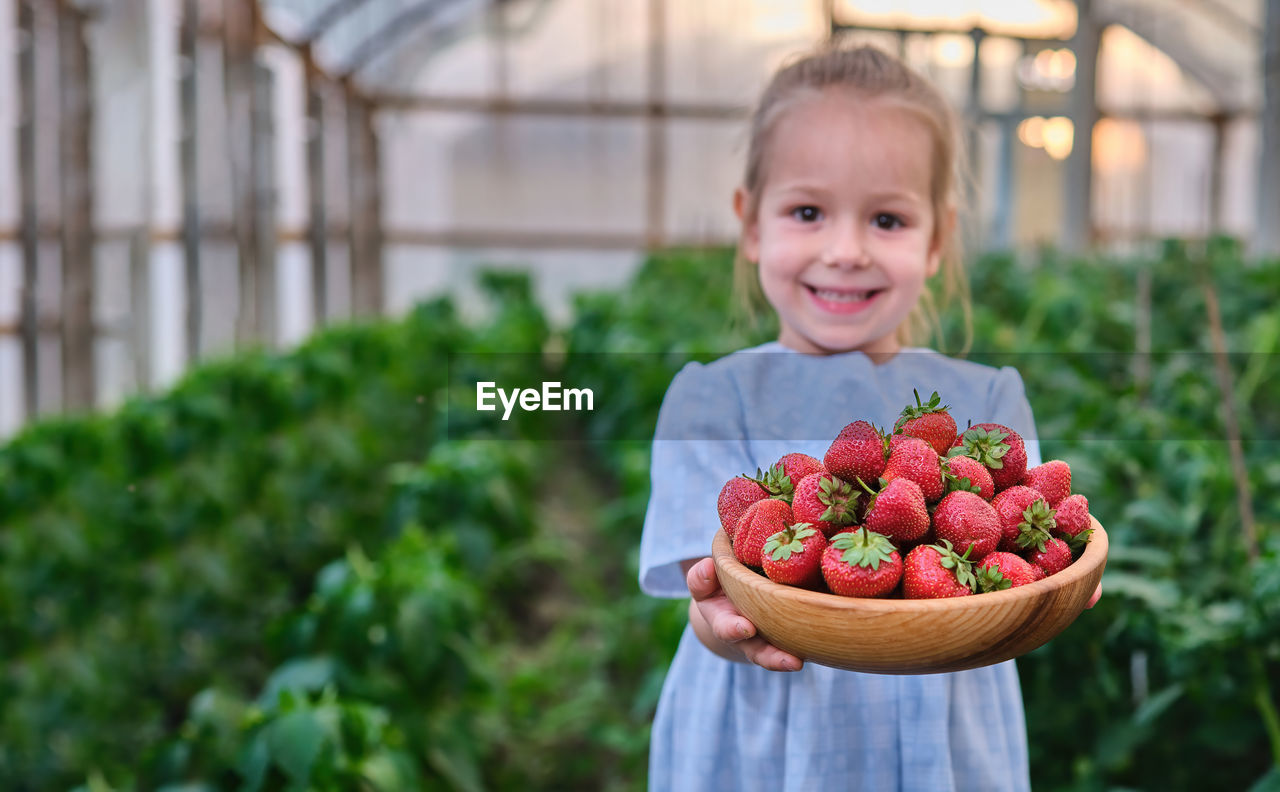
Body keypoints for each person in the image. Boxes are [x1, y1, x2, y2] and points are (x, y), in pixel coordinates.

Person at [638, 44, 1092, 791]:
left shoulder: (986, 403)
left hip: (943, 737)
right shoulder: (711, 399)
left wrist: (1051, 582)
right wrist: (726, 630)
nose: (845, 251)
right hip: (765, 740)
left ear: (937, 239)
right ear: (751, 224)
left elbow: (1022, 564)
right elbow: (709, 592)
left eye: (886, 218)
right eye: (808, 212)